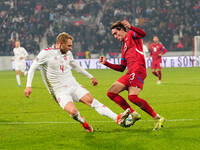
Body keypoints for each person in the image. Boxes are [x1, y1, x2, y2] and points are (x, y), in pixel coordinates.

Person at [24, 32, 130, 133]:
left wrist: (90, 76)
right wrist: (28, 86)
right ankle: (83, 122)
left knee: (92, 101)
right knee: (73, 112)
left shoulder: (68, 53)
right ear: (61, 44)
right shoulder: (45, 53)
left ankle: (117, 118)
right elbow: (33, 68)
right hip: (59, 91)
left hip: (73, 85)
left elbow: (75, 66)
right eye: (69, 46)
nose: (71, 48)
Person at [99, 20, 165, 130]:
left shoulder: (131, 34)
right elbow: (121, 68)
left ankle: (157, 118)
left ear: (121, 30)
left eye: (115, 33)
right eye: (113, 35)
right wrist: (106, 63)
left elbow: (143, 34)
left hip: (138, 69)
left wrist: (131, 27)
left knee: (132, 97)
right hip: (130, 72)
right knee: (111, 93)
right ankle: (133, 113)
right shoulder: (123, 48)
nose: (115, 36)